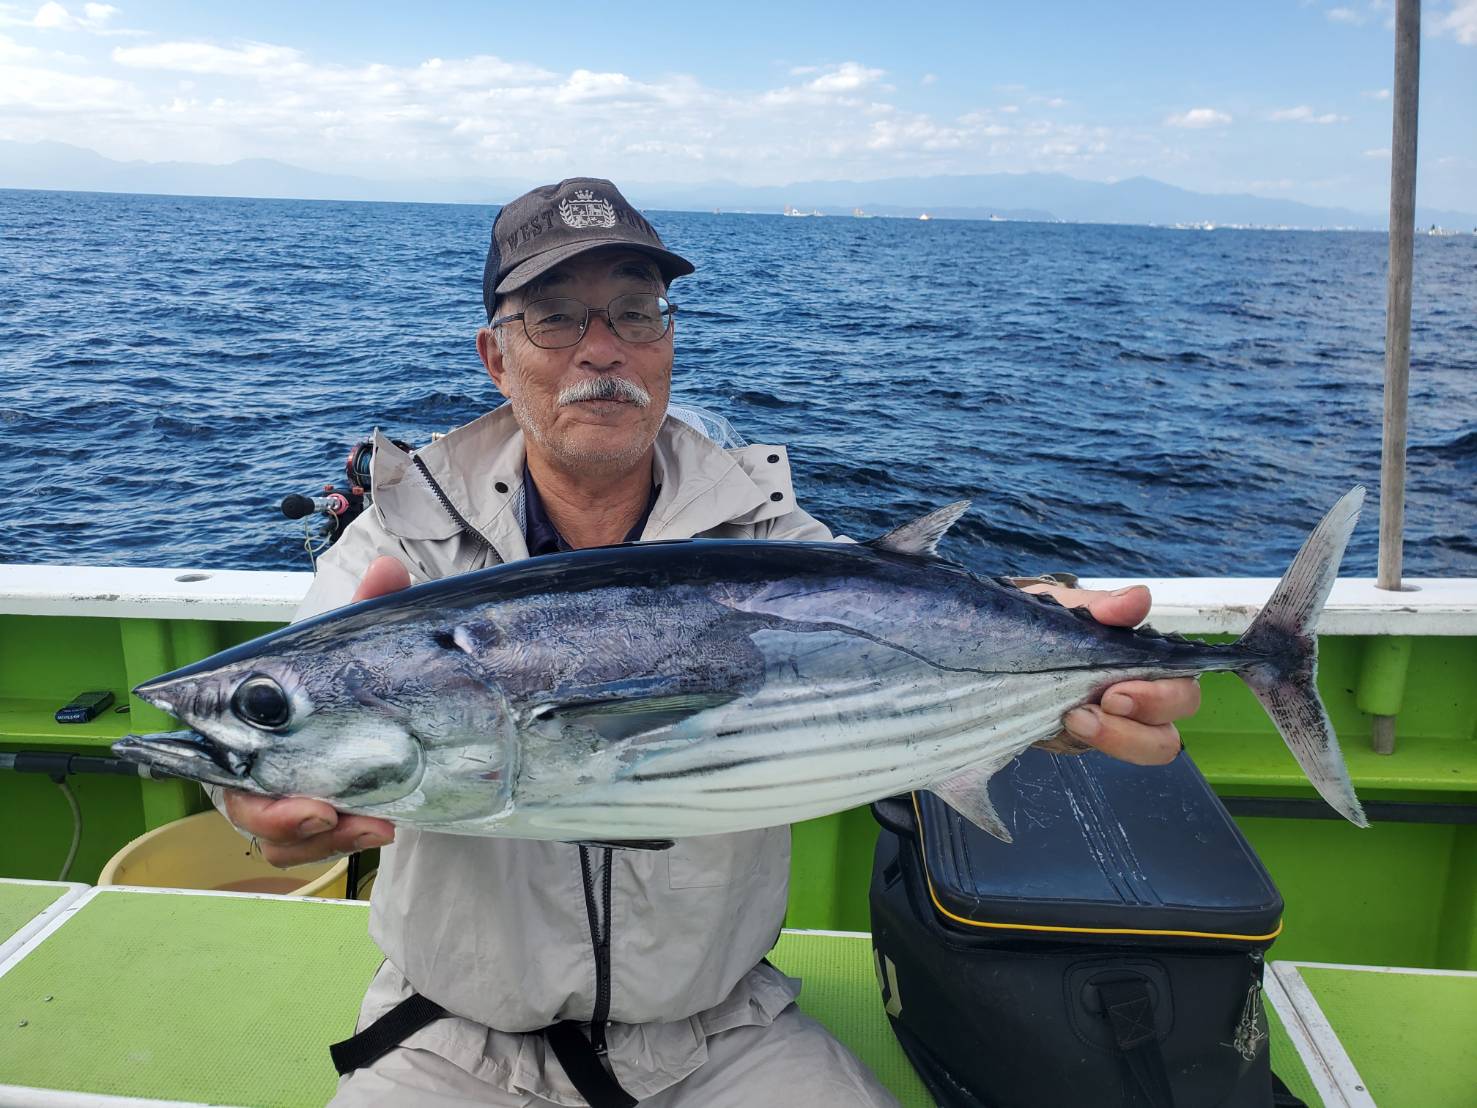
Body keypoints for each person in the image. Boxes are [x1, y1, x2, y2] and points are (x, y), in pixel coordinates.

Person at [214, 178, 1200, 1107]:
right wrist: (251, 799)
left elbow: (896, 623)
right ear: (494, 354)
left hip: (724, 1037)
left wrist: (1055, 677)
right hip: (448, 1040)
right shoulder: (399, 541)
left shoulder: (770, 535)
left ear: (667, 341)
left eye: (634, 312)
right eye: (556, 316)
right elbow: (281, 718)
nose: (601, 350)